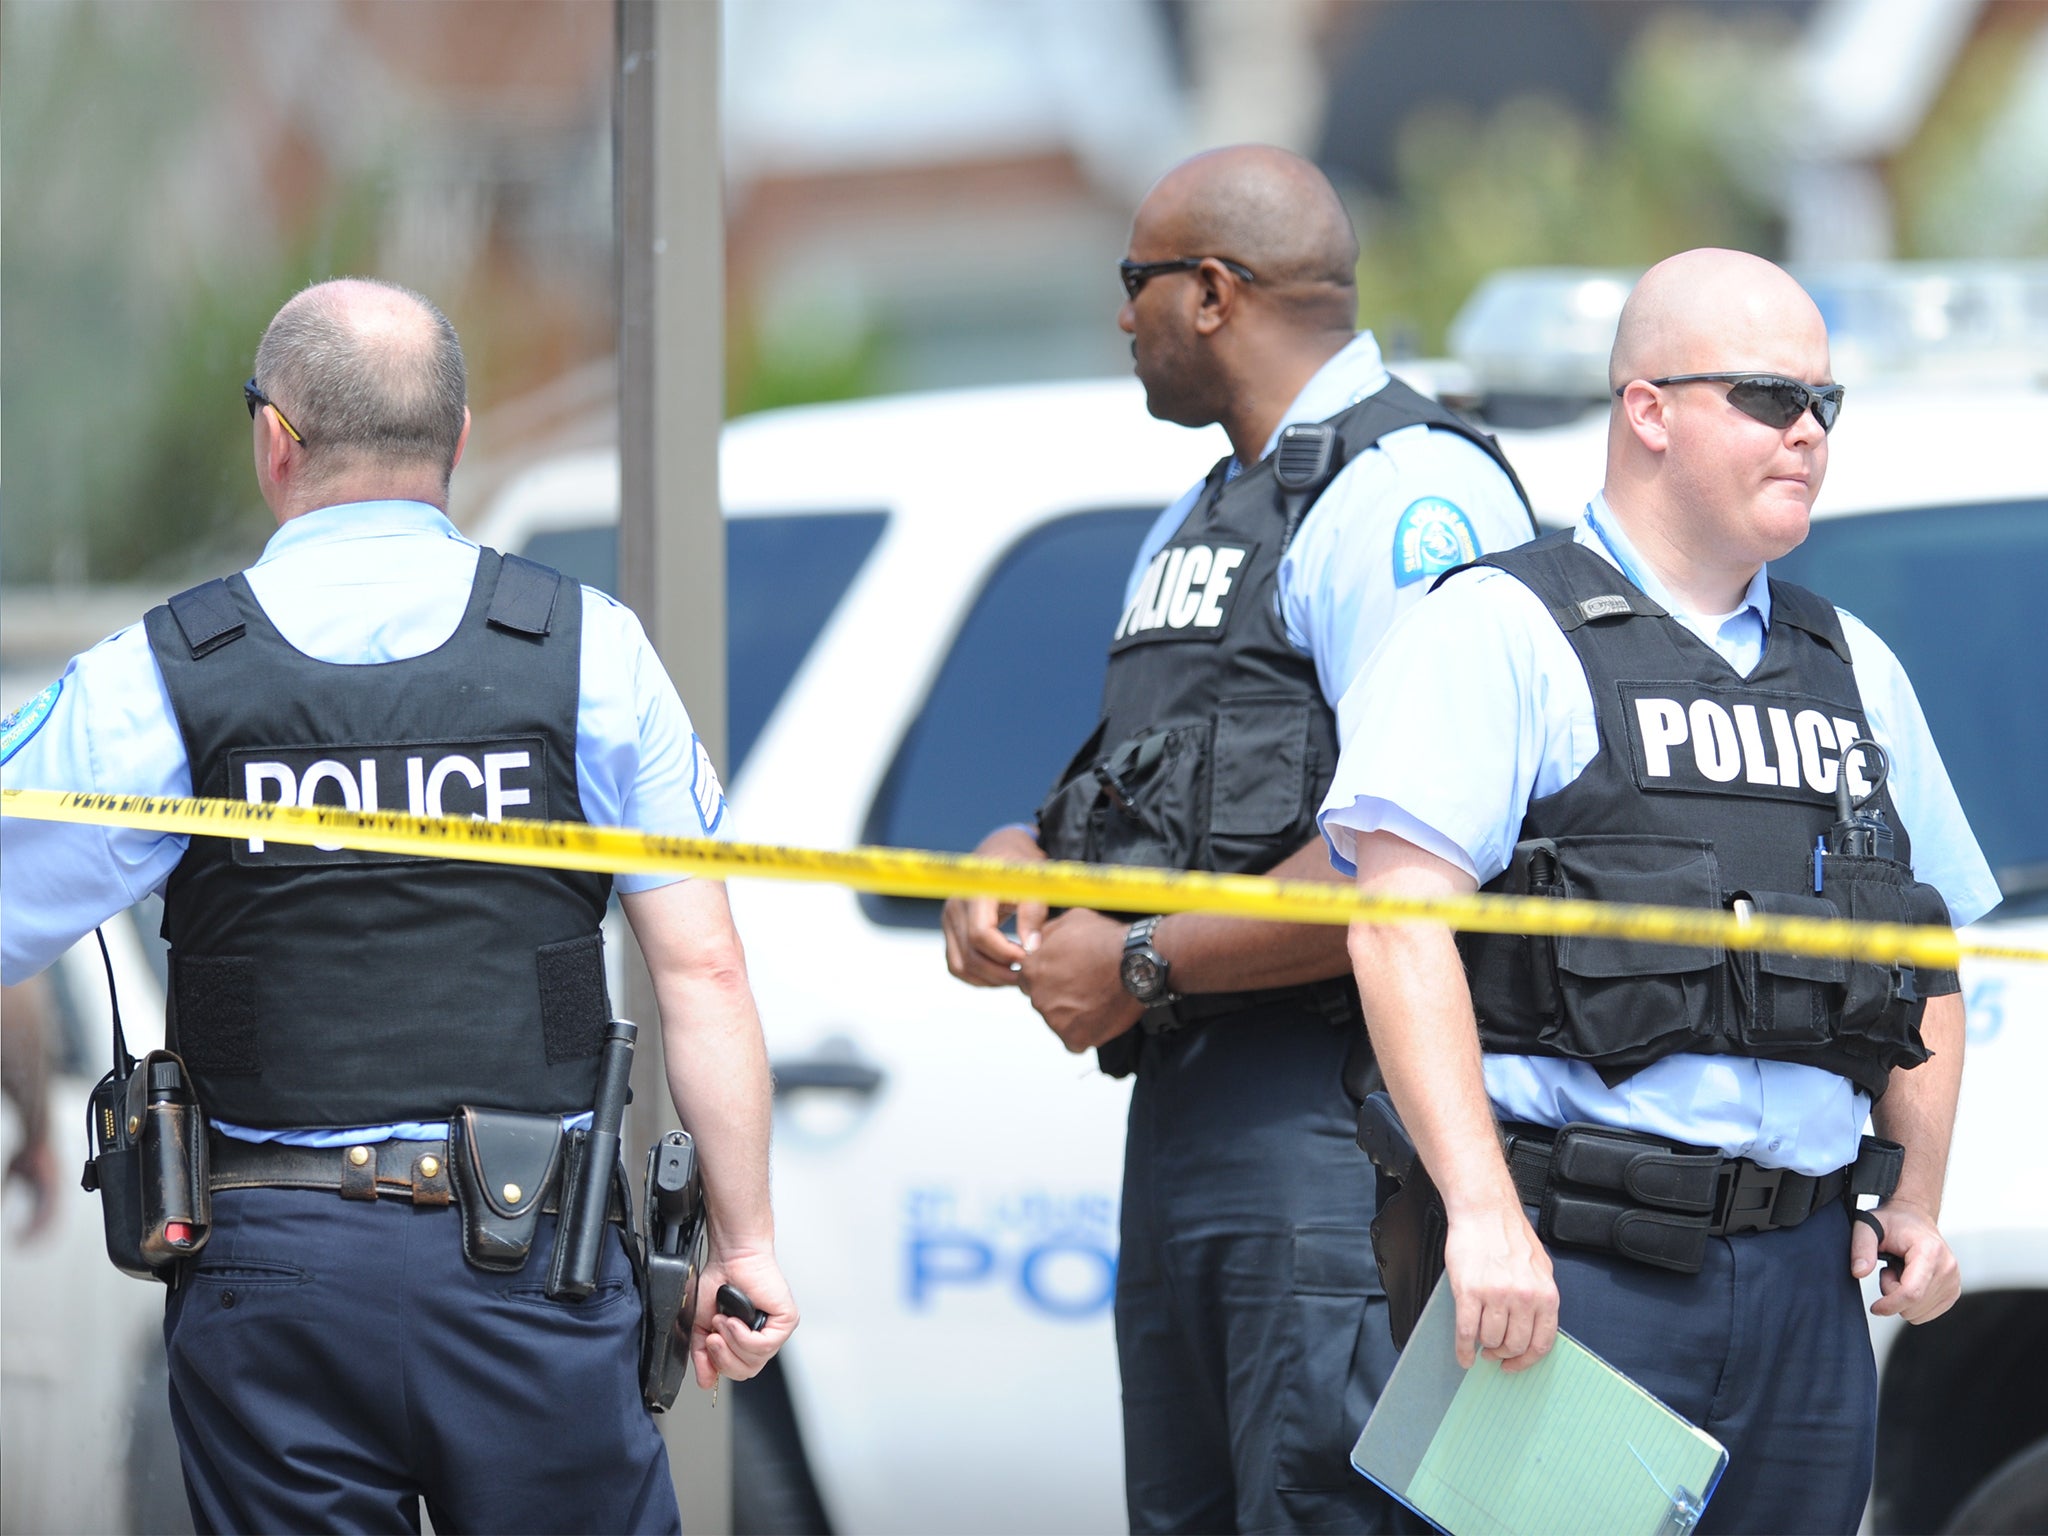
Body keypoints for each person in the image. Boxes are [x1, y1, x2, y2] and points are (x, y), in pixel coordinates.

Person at [0, 278, 795, 1535]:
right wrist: (743, 1244)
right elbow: (702, 973)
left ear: (274, 437)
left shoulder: (156, 676)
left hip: (273, 1274)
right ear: (460, 439)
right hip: (532, 1257)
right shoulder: (588, 650)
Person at [1326, 249, 1999, 1534]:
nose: (1806, 431)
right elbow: (1395, 924)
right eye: (1765, 396)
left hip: (1806, 1286)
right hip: (1574, 1273)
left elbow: (1923, 959)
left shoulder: (1852, 664)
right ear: (1645, 409)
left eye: (1823, 404)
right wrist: (1478, 1217)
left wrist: (1912, 1196)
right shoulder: (1500, 630)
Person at [941, 145, 1534, 1534]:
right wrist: (1021, 863)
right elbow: (1166, 790)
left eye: (1134, 285)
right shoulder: (1207, 511)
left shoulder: (1403, 498)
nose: (1121, 319)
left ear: (1212, 293)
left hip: (1343, 1134)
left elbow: (1411, 861)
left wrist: (1140, 964)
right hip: (1199, 1121)